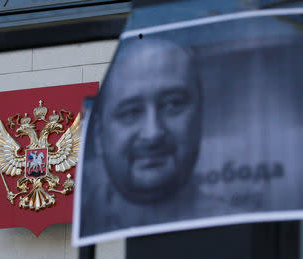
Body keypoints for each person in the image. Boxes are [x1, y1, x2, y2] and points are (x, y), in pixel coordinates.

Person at [80, 38, 226, 236]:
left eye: (173, 104)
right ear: (98, 135)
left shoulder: (240, 229)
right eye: (130, 112)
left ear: (200, 115)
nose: (153, 133)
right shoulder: (88, 226)